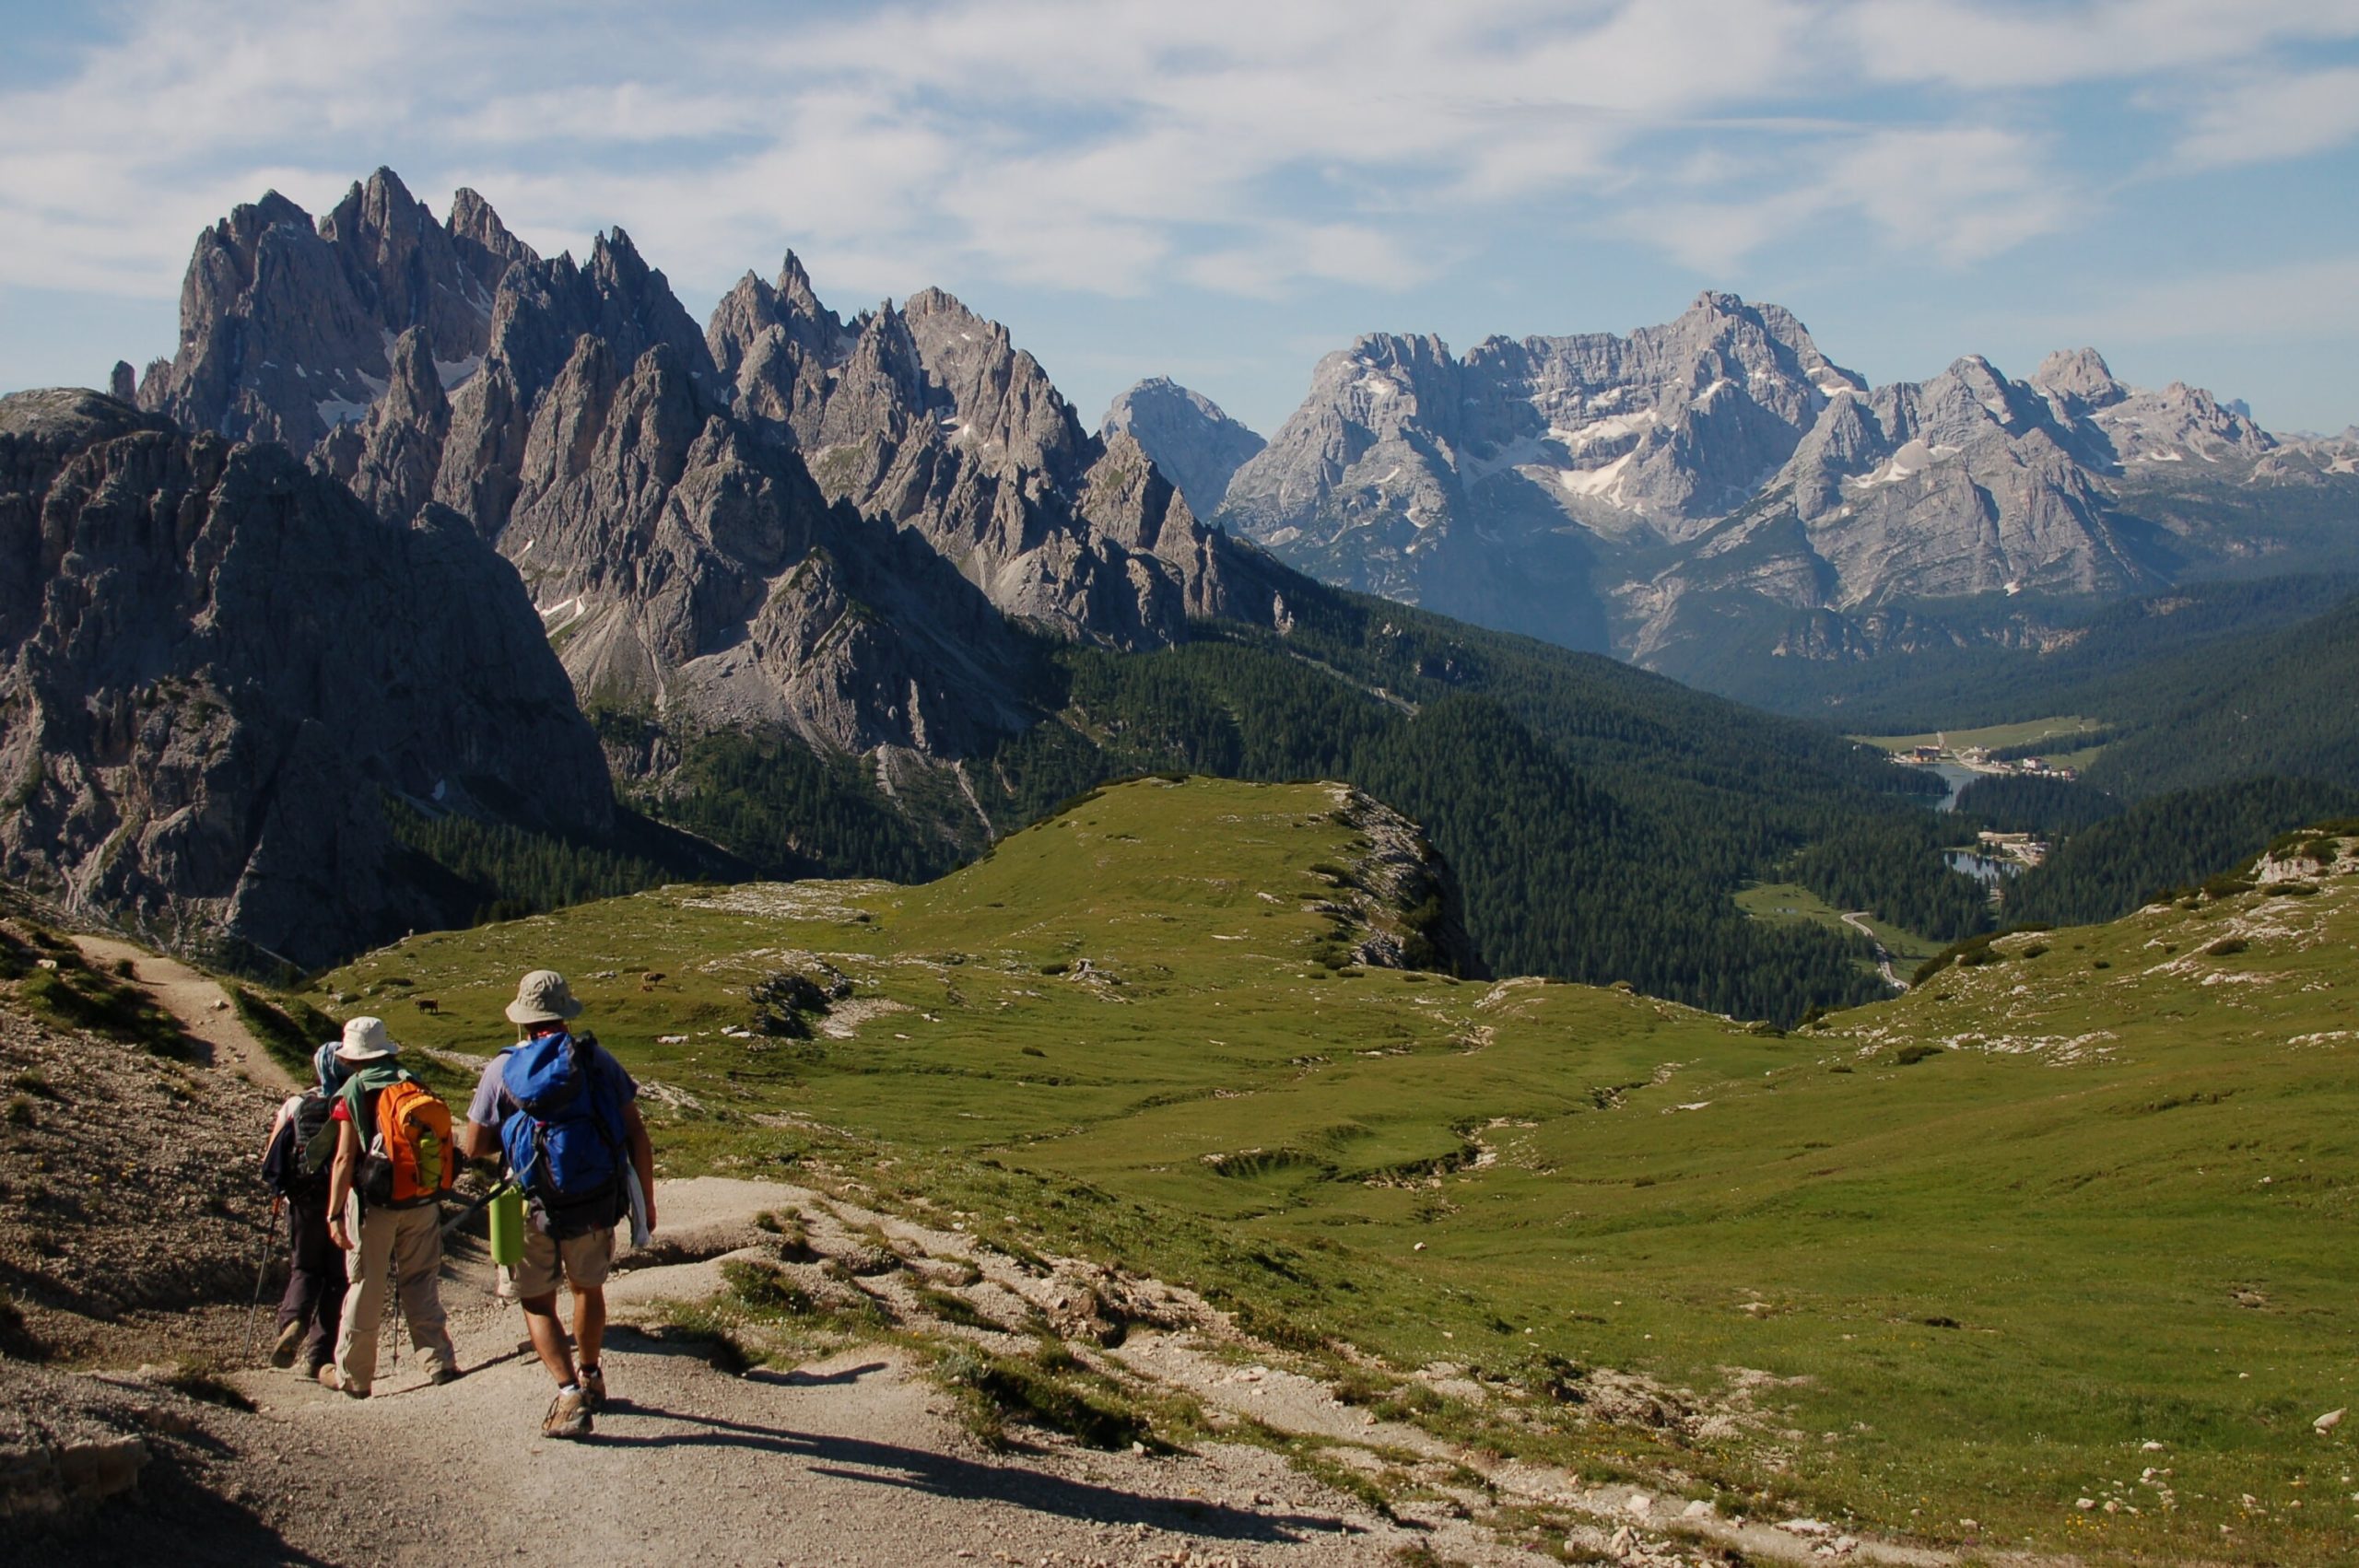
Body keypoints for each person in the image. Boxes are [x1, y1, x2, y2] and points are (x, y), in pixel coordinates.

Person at [458, 969, 656, 1439]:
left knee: (538, 1301)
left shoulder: (501, 1069)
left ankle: (567, 1393)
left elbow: (473, 1146)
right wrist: (644, 1202)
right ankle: (590, 1374)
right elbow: (635, 1133)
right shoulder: (595, 1059)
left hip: (530, 1203)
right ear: (567, 1013)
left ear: (523, 1021)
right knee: (587, 1289)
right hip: (593, 1199)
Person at [321, 1016, 460, 1395]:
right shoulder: (410, 1080)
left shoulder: (353, 1091)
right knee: (420, 1279)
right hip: (421, 1198)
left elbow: (344, 1159)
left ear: (351, 1057)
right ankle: (439, 1361)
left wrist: (334, 1213)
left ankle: (355, 1377)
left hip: (375, 1204)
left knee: (366, 1283)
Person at [257, 1044, 350, 1378]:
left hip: (303, 1200)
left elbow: (272, 1156)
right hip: (344, 1203)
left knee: (305, 1268)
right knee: (338, 1278)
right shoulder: (352, 1103)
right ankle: (320, 1356)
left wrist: (281, 1193)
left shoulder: (297, 1104)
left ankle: (294, 1320)